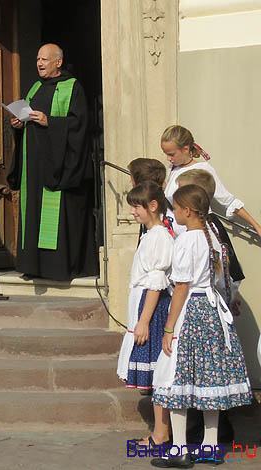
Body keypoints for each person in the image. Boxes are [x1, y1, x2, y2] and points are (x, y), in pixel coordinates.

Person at [151, 185, 253, 467]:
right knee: (210, 381)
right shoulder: (214, 239)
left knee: (175, 379)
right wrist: (230, 301)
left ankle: (179, 449)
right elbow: (222, 280)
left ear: (186, 211)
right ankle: (210, 446)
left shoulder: (187, 240)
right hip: (213, 312)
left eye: (176, 208)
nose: (174, 213)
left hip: (192, 311)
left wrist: (169, 327)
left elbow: (182, 286)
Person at [6, 43, 98, 281]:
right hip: (34, 165)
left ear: (58, 62)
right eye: (38, 59)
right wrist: (18, 124)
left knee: (56, 216)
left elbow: (80, 125)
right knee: (33, 211)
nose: (39, 63)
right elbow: (28, 118)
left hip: (59, 164)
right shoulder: (36, 87)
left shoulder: (72, 87)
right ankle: (34, 266)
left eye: (44, 60)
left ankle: (56, 268)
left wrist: (51, 122)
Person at [115, 182, 173, 448]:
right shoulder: (151, 235)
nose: (132, 211)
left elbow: (156, 283)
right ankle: (160, 431)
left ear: (153, 206)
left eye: (137, 206)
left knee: (158, 375)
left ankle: (161, 434)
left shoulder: (160, 236)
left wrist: (144, 321)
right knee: (155, 376)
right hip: (144, 308)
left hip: (153, 310)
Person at [161, 124, 260, 263]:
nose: (168, 159)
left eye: (171, 154)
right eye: (166, 154)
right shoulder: (172, 168)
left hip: (198, 230)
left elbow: (227, 200)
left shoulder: (202, 169)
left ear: (186, 149)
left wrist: (256, 226)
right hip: (177, 231)